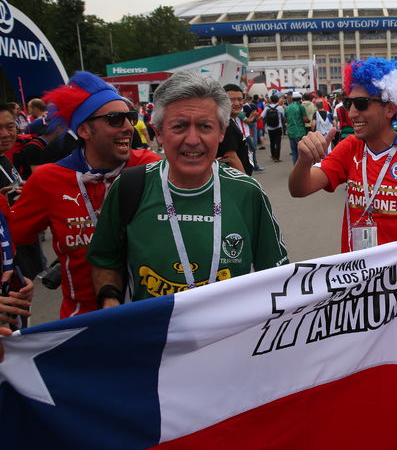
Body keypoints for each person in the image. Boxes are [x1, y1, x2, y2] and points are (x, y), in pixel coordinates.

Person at [88, 71, 288, 306]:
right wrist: (110, 301)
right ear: (160, 133)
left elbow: (275, 278)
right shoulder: (129, 187)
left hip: (229, 339)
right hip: (153, 339)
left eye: (205, 127)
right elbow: (104, 260)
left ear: (221, 132)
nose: (192, 140)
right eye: (179, 126)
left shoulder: (247, 192)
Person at [9, 72, 161, 318]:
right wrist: (16, 282)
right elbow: (13, 238)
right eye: (115, 119)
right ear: (84, 130)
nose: (128, 127)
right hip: (82, 322)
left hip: (150, 314)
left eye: (130, 118)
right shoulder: (48, 180)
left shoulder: (150, 166)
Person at [289, 57, 397, 253]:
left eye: (361, 103)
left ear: (390, 109)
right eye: (349, 103)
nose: (352, 113)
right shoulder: (350, 147)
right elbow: (300, 188)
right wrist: (304, 161)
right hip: (357, 274)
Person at [216, 84, 252, 175]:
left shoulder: (230, 120)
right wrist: (247, 184)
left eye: (240, 99)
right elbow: (230, 157)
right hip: (237, 179)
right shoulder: (226, 124)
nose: (237, 103)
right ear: (222, 101)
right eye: (231, 100)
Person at [284, 91, 309, 165]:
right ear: (300, 99)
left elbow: (285, 119)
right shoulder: (301, 107)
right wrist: (308, 120)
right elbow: (305, 119)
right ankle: (301, 168)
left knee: (294, 151)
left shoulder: (287, 108)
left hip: (291, 131)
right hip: (300, 131)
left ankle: (295, 167)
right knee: (301, 152)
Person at [263, 95, 285, 162]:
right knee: (278, 143)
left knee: (272, 142)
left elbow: (262, 116)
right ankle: (277, 158)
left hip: (270, 128)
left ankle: (273, 155)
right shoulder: (280, 107)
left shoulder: (267, 108)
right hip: (278, 127)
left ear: (271, 100)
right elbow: (283, 116)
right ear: (277, 100)